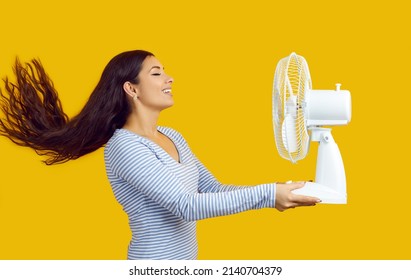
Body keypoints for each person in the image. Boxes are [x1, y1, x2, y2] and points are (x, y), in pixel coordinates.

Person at [0, 50, 320, 259]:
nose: (170, 79)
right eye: (156, 73)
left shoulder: (173, 137)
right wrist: (268, 195)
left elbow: (213, 190)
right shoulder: (124, 147)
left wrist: (279, 189)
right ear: (132, 89)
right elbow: (187, 205)